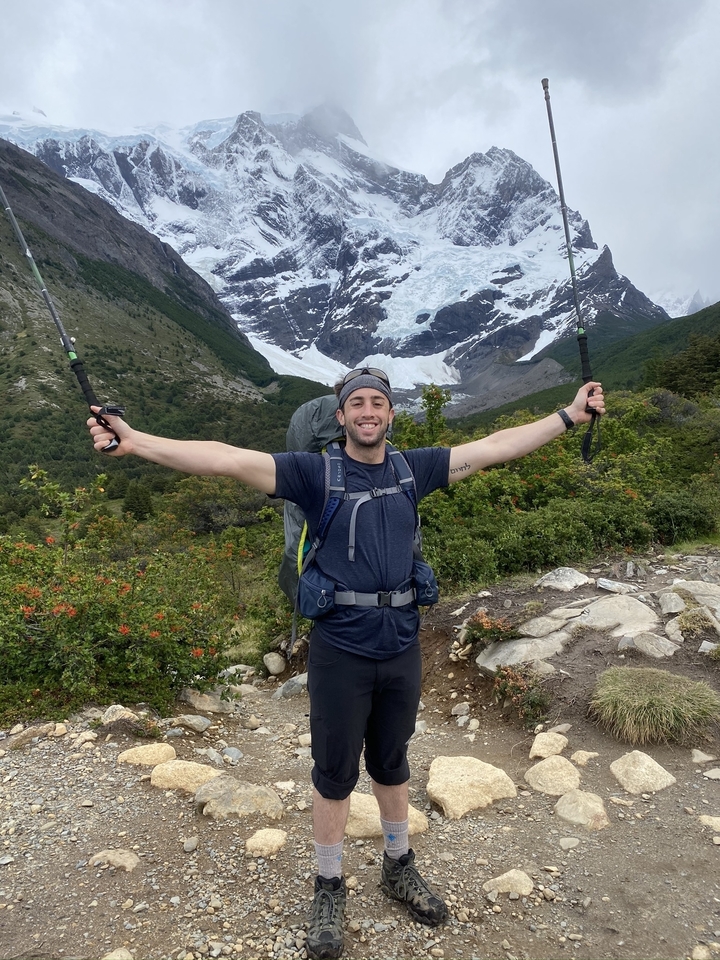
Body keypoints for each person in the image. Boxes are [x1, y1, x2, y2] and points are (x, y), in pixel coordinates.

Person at [88, 368, 605, 960]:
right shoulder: (314, 473)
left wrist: (569, 416)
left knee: (392, 762)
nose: (367, 411)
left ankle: (398, 865)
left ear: (390, 414)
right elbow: (226, 458)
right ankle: (328, 885)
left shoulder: (414, 469)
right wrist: (136, 441)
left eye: (377, 402)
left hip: (401, 644)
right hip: (340, 649)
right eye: (356, 402)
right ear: (340, 416)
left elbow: (495, 446)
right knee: (334, 773)